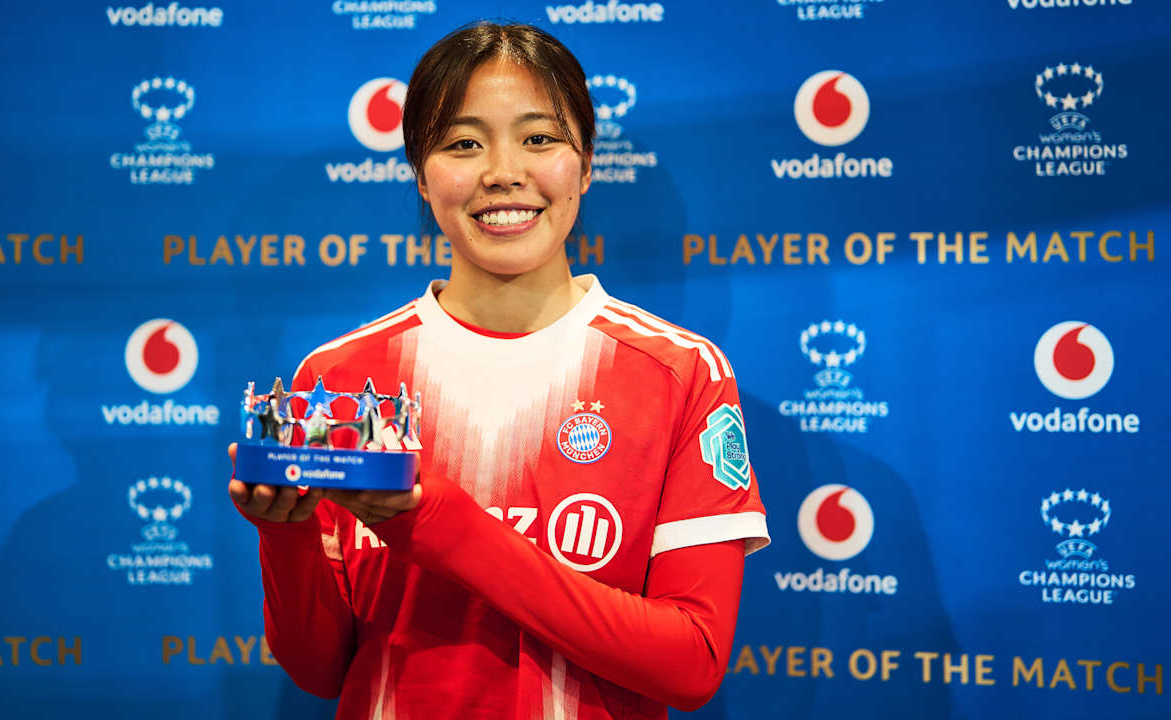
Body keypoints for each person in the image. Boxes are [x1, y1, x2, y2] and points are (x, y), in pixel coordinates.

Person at [228, 22, 769, 719]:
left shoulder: (682, 372)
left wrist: (442, 523)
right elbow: (320, 669)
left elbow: (691, 662)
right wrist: (285, 532)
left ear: (586, 164)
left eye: (539, 138)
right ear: (422, 175)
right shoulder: (340, 379)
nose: (503, 170)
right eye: (463, 143)